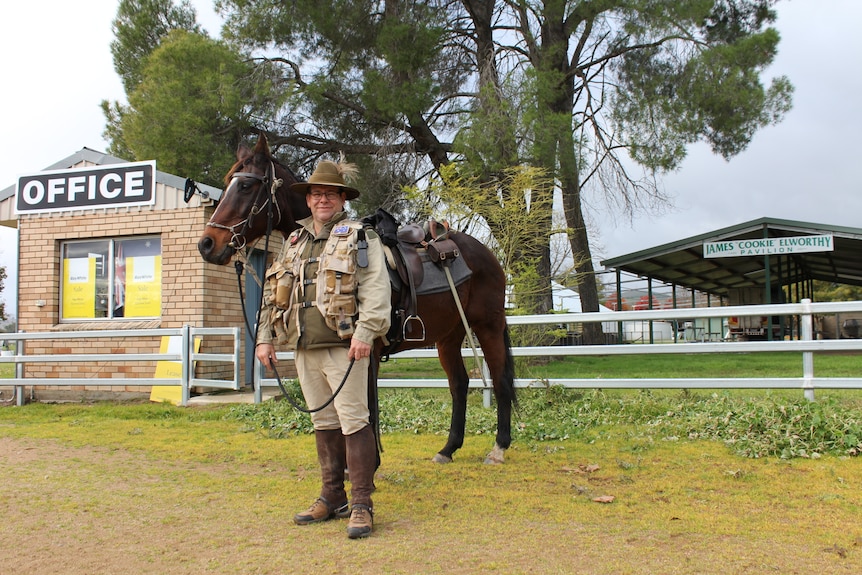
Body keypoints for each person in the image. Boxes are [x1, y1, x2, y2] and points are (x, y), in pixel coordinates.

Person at [255, 159, 391, 539]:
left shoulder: (361, 236)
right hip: (303, 346)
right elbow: (272, 291)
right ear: (308, 199)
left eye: (330, 193)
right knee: (323, 422)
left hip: (345, 347)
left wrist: (366, 333)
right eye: (316, 194)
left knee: (354, 420)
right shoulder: (293, 241)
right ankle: (332, 496)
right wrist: (265, 336)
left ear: (342, 198)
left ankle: (361, 504)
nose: (322, 200)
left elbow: (376, 289)